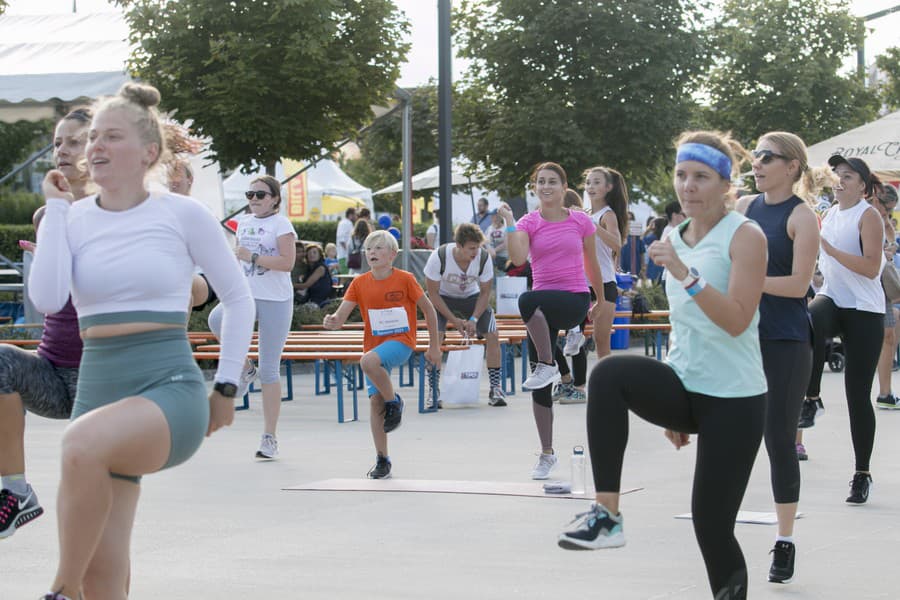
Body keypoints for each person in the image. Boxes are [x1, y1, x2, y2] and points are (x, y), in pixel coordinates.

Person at [29, 82, 254, 600]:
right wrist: (57, 213)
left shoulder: (181, 214)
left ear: (149, 152)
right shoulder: (71, 218)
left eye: (112, 136)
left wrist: (224, 388)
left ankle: (57, 591)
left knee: (78, 443)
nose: (96, 148)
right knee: (102, 577)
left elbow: (238, 301)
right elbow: (45, 299)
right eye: (93, 139)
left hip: (167, 389)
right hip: (98, 390)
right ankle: (75, 586)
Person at [558, 131, 767, 600]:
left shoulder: (745, 236)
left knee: (712, 526)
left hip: (735, 399)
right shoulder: (675, 235)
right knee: (609, 373)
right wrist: (671, 397)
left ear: (724, 184)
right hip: (687, 383)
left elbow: (736, 320)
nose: (687, 186)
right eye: (680, 175)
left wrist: (685, 274)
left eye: (701, 177)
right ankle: (607, 515)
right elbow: (685, 322)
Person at [0, 107, 93, 540]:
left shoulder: (118, 214)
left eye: (74, 142)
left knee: (94, 510)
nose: (62, 151)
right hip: (53, 376)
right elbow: (49, 298)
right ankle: (16, 491)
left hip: (103, 377)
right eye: (58, 142)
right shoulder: (47, 214)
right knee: (1, 360)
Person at [737, 131, 824, 584]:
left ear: (791, 166)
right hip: (742, 337)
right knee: (730, 434)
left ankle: (784, 541)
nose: (757, 162)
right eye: (755, 155)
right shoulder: (744, 208)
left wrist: (750, 282)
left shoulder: (802, 216)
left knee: (778, 441)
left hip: (787, 341)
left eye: (767, 156)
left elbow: (797, 285)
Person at [496, 162, 603, 480]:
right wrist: (511, 223)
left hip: (573, 299)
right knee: (539, 385)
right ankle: (546, 453)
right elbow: (517, 260)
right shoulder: (529, 222)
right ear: (535, 187)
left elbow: (592, 262)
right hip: (541, 315)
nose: (545, 186)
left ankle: (549, 363)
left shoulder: (580, 221)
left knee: (526, 300)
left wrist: (599, 299)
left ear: (563, 186)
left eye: (552, 182)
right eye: (540, 182)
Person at [800, 155, 885, 505]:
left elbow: (869, 268)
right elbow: (821, 265)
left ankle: (861, 473)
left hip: (864, 309)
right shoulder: (830, 213)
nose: (839, 181)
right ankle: (813, 397)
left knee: (857, 397)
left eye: (847, 177)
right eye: (837, 176)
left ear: (862, 186)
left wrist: (828, 248)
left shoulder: (870, 216)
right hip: (833, 297)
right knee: (809, 319)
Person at [323, 230, 441, 479]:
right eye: (368, 249)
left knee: (367, 362)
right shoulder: (359, 282)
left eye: (378, 248)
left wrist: (434, 346)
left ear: (393, 254)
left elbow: (429, 311)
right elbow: (340, 317)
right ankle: (382, 459)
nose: (372, 253)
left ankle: (394, 402)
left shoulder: (406, 279)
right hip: (374, 347)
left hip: (401, 342)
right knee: (375, 402)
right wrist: (332, 321)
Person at [209, 174, 296, 460]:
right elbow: (238, 257)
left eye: (261, 195)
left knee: (270, 369)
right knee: (215, 319)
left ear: (274, 199)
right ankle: (246, 368)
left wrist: (252, 258)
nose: (255, 200)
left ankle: (269, 437)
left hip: (276, 298)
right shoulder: (244, 223)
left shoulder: (281, 224)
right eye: (250, 195)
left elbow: (287, 263)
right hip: (246, 295)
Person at [424, 223, 506, 407]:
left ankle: (495, 388)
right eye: (471, 248)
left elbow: (485, 293)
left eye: (477, 247)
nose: (475, 252)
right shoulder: (439, 256)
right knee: (435, 337)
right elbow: (433, 294)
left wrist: (473, 319)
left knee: (493, 334)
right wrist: (454, 321)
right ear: (458, 245)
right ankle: (433, 390)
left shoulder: (483, 258)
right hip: (443, 297)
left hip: (471, 296)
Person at [584, 167, 628, 364]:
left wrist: (592, 226)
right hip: (581, 283)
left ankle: (606, 382)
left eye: (596, 182)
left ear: (609, 187)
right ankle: (574, 385)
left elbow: (616, 243)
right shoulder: (584, 213)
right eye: (588, 182)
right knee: (575, 338)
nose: (590, 187)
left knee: (601, 339)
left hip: (604, 282)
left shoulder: (607, 215)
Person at [553, 188, 591, 404]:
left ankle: (578, 387)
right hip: (557, 288)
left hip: (577, 289)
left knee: (575, 339)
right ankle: (567, 379)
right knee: (546, 337)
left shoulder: (579, 225)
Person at [874, 184, 900, 409]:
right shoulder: (860, 214)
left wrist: (889, 246)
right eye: (886, 208)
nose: (887, 214)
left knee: (889, 334)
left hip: (879, 286)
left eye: (891, 210)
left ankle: (885, 392)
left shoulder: (883, 223)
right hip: (861, 285)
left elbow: (888, 252)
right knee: (887, 335)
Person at [643, 217, 667, 283]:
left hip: (654, 265)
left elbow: (642, 239)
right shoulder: (666, 236)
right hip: (664, 265)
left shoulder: (652, 237)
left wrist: (648, 228)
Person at [335, 207, 357, 273]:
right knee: (345, 277)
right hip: (344, 256)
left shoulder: (346, 223)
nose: (356, 217)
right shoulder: (345, 223)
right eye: (355, 214)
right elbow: (342, 240)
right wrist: (349, 252)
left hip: (345, 256)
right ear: (350, 215)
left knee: (346, 277)